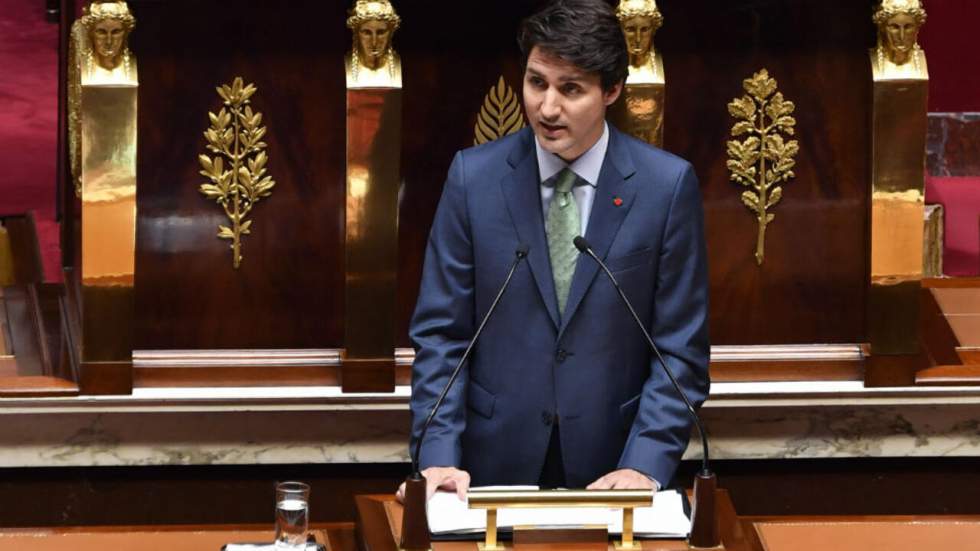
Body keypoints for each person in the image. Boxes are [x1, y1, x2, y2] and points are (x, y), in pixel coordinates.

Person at [404, 0, 709, 501]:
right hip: (483, 472)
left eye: (571, 89)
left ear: (610, 90)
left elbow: (680, 348)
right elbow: (442, 335)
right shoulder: (473, 179)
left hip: (614, 469)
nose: (547, 108)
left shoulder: (666, 187)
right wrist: (437, 456)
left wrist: (645, 464)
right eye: (537, 82)